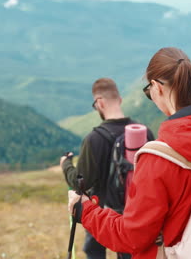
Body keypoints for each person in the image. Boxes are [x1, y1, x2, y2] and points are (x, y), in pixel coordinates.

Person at [67, 47, 191, 258]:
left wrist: (85, 211)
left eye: (148, 92)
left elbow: (133, 237)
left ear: (156, 87)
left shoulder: (157, 158)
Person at [61, 77, 155, 259]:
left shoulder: (94, 139)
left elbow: (80, 183)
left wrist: (65, 165)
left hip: (101, 211)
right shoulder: (144, 132)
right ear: (119, 100)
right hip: (137, 214)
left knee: (94, 251)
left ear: (99, 103)